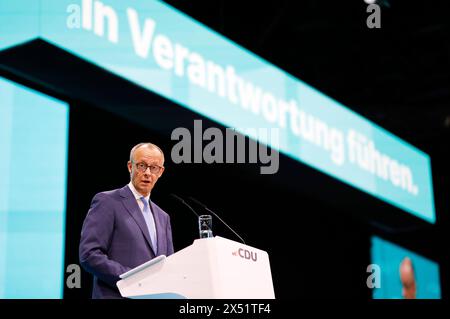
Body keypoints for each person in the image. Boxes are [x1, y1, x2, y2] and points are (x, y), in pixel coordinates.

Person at [79, 143, 174, 299]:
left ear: (161, 172)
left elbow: (168, 266)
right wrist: (132, 279)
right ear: (130, 167)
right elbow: (89, 254)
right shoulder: (108, 202)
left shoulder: (163, 217)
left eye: (154, 168)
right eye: (142, 166)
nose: (147, 173)